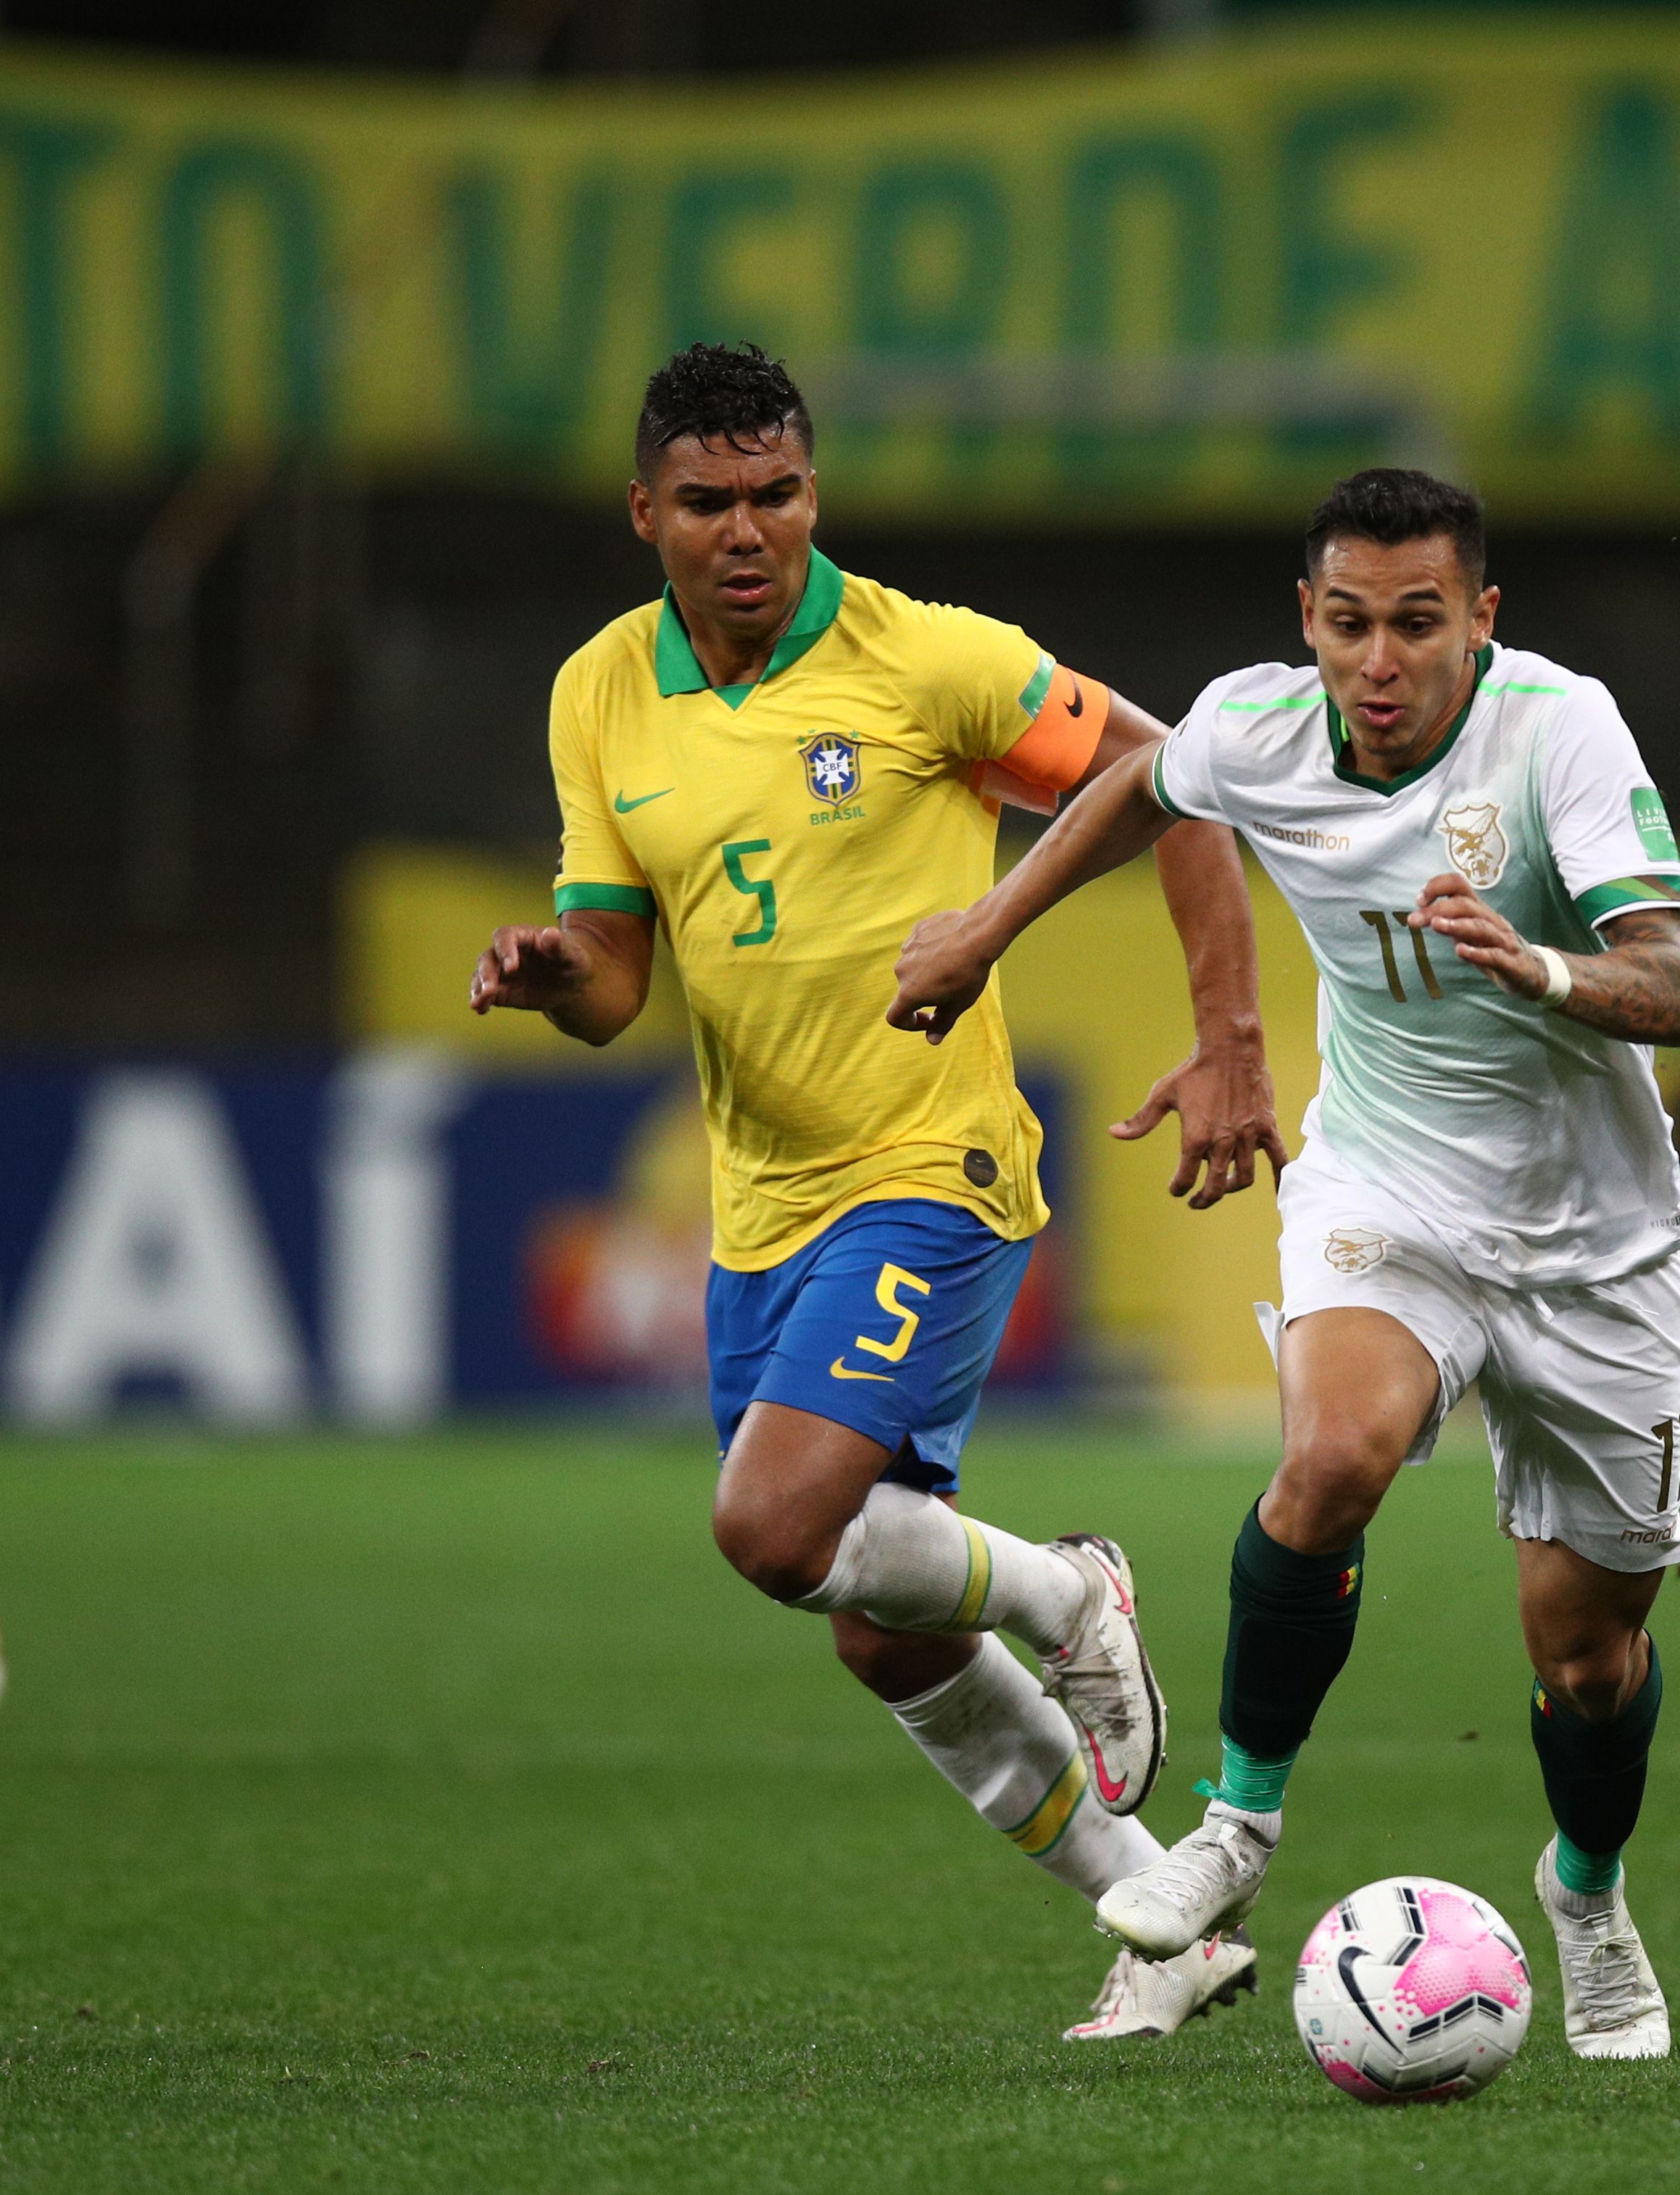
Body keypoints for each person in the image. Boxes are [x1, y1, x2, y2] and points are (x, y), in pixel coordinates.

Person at [467, 344, 1284, 2040]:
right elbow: (615, 980)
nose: (747, 530)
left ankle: (1070, 1591)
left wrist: (1226, 1040)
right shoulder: (599, 690)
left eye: (776, 493)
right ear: (644, 512)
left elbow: (1180, 777)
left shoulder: (928, 660)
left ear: (812, 494)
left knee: (769, 1527)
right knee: (871, 1623)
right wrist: (557, 976)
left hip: (931, 1168)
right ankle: (1165, 1926)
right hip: (758, 1206)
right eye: (709, 500)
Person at [889, 468, 1680, 2063]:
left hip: (1595, 1245)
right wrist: (989, 927)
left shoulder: (1558, 731)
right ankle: (1237, 1827)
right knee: (1330, 1458)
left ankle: (1588, 1891)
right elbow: (1140, 787)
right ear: (1307, 620)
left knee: (1586, 1658)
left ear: (1482, 618)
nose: (1379, 662)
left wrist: (1541, 965)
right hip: (1387, 1187)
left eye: (1418, 623)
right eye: (1348, 623)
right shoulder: (1256, 724)